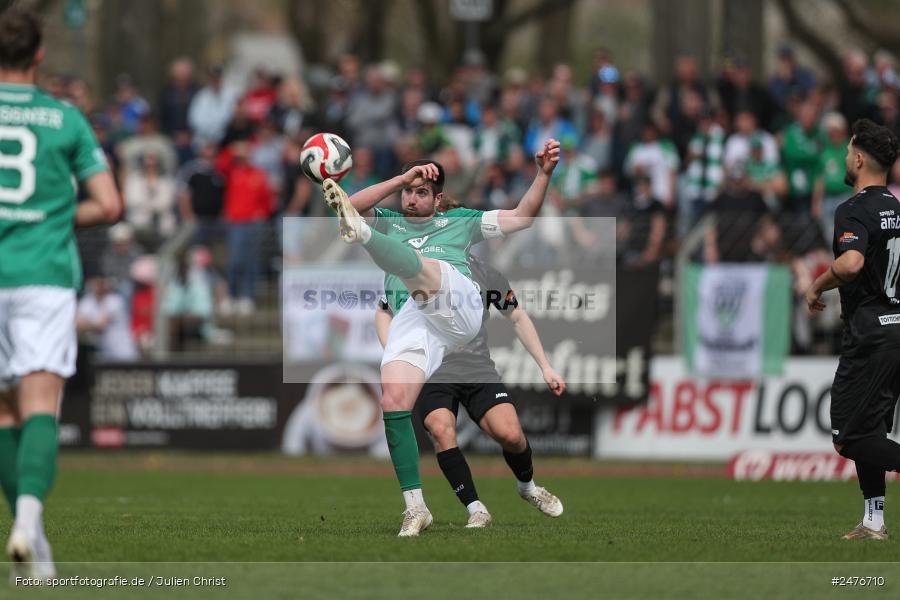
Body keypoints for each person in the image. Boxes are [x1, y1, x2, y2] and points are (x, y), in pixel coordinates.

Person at [321, 138, 560, 536]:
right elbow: (351, 206)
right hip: (417, 320)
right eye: (408, 192)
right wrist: (400, 178)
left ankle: (360, 237)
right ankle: (416, 508)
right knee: (393, 398)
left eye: (421, 192)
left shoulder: (461, 221)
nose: (412, 199)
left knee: (425, 271)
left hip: (458, 307)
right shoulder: (391, 220)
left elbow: (522, 217)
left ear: (438, 198)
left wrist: (544, 173)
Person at [0, 8, 121, 578]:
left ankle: (32, 538)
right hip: (44, 273)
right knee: (40, 403)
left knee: (2, 413)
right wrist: (49, 213)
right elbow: (110, 204)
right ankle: (28, 522)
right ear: (40, 54)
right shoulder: (64, 117)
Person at [374, 253, 566, 528]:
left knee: (510, 434)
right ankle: (476, 509)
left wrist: (546, 366)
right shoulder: (415, 266)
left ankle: (528, 487)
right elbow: (383, 310)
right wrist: (395, 353)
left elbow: (517, 316)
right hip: (433, 371)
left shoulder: (484, 273)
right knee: (441, 430)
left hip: (476, 368)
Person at [803, 119, 900, 540]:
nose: (844, 158)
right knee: (872, 430)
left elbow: (851, 263)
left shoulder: (853, 209)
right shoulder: (897, 210)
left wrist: (817, 283)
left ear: (859, 159)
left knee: (847, 438)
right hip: (897, 328)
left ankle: (873, 520)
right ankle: (874, 521)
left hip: (871, 334)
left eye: (847, 152)